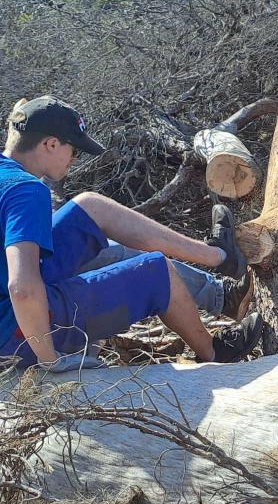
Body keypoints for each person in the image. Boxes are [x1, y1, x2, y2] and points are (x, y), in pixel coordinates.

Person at [0, 96, 263, 372]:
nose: (74, 160)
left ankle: (219, 259)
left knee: (92, 209)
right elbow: (23, 289)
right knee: (156, 272)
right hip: (13, 335)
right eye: (73, 150)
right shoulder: (26, 190)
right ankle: (213, 353)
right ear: (50, 144)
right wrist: (50, 358)